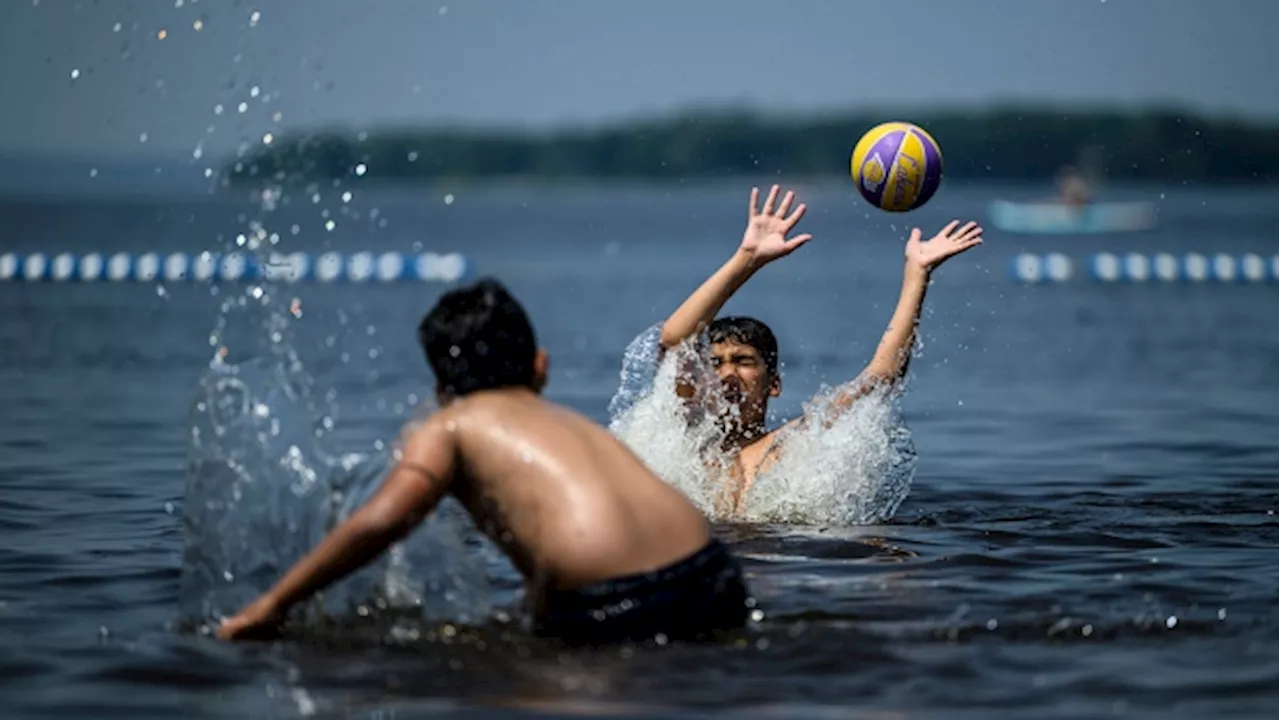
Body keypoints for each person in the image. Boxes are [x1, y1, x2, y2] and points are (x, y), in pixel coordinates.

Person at [216, 278, 753, 646]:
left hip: (620, 601)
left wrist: (274, 604)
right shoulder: (572, 426)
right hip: (714, 575)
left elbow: (382, 520)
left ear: (440, 387)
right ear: (539, 368)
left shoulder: (451, 426)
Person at [652, 185, 983, 515]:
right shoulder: (686, 438)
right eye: (715, 363)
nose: (727, 374)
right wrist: (747, 260)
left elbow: (881, 378)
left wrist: (917, 274)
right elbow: (673, 339)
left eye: (743, 361)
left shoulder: (793, 443)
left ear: (774, 384)